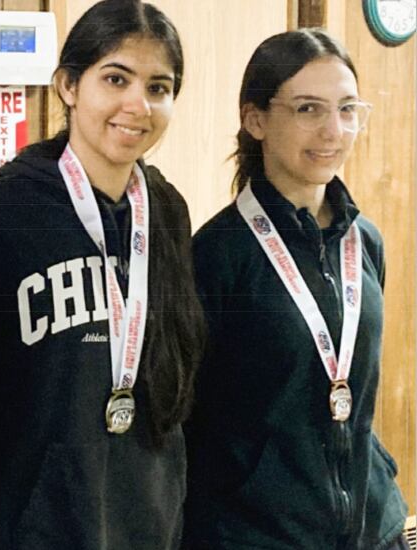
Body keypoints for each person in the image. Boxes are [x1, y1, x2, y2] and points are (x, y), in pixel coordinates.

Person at [0, 1, 204, 548]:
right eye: (116, 79)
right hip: (28, 530)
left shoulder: (167, 212)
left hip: (147, 526)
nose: (137, 104)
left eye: (158, 87)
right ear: (68, 86)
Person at [183, 29, 408, 549]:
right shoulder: (217, 254)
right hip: (257, 535)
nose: (333, 130)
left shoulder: (364, 242)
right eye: (308, 109)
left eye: (347, 109)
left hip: (373, 531)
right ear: (256, 119)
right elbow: (188, 420)